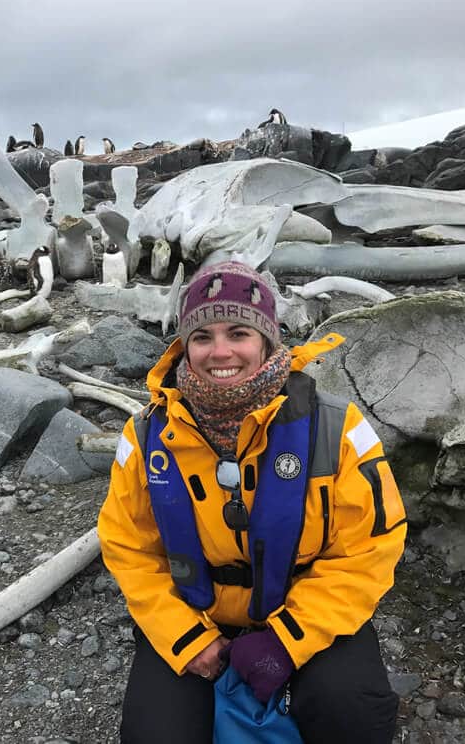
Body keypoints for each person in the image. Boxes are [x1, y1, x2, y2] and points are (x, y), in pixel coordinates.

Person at [98, 261, 407, 744]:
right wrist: (189, 640)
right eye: (202, 337)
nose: (220, 352)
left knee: (355, 715)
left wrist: (287, 641)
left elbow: (369, 548)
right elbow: (128, 548)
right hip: (194, 614)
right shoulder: (145, 437)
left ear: (267, 341)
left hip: (307, 614)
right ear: (184, 346)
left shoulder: (337, 429)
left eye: (238, 332)